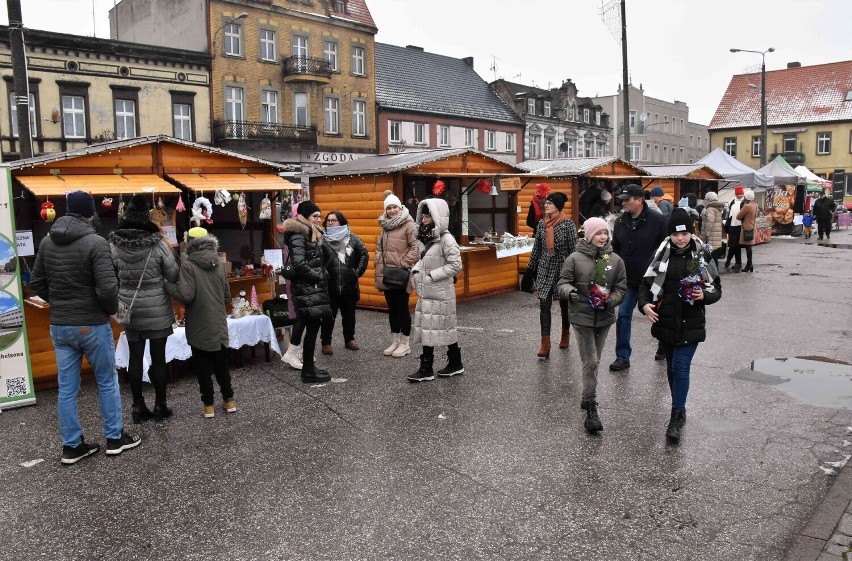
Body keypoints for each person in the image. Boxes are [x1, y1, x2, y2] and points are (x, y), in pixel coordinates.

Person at [30, 190, 140, 464]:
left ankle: (72, 447)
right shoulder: (96, 243)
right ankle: (115, 439)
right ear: (89, 213)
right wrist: (107, 309)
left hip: (60, 326)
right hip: (91, 324)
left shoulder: (47, 242)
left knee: (66, 388)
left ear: (67, 211)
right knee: (106, 380)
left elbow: (37, 283)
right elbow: (107, 289)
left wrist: (59, 302)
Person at [639, 209, 722, 443]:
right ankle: (680, 407)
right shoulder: (660, 254)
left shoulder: (702, 255)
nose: (681, 239)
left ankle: (676, 414)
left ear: (691, 231)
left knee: (680, 367)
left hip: (691, 322)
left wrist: (703, 296)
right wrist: (645, 305)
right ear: (670, 235)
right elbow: (645, 285)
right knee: (671, 368)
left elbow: (716, 289)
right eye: (676, 235)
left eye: (684, 233)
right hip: (665, 320)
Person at [109, 194, 179, 423]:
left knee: (135, 358)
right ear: (146, 216)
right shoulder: (157, 243)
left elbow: (111, 275)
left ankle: (137, 407)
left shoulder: (114, 244)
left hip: (128, 307)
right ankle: (160, 406)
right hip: (157, 306)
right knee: (158, 359)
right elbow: (173, 274)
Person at [556, 217, 626, 433]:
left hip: (604, 318)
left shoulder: (615, 260)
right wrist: (572, 293)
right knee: (591, 361)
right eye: (598, 233)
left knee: (595, 359)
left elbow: (621, 288)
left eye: (605, 233)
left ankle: (586, 396)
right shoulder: (574, 259)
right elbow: (562, 284)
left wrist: (610, 301)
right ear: (588, 235)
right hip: (582, 318)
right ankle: (592, 409)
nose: (602, 237)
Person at [167, 227, 236, 416]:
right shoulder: (220, 264)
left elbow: (186, 295)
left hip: (198, 324)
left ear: (190, 243)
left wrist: (169, 286)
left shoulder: (188, 266)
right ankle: (229, 401)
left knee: (203, 368)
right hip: (218, 323)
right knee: (222, 366)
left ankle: (208, 406)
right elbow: (227, 296)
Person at [609, 184, 668, 371]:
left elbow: (666, 247)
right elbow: (615, 247)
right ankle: (622, 356)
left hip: (653, 279)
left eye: (627, 200)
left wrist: (656, 268)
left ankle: (663, 345)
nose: (623, 204)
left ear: (640, 200)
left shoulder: (658, 220)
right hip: (629, 279)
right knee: (624, 315)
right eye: (622, 200)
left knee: (660, 314)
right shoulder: (620, 222)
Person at [407, 198, 464, 382]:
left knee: (444, 328)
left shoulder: (447, 239)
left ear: (438, 217)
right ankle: (433, 367)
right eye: (422, 215)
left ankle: (442, 366)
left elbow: (456, 264)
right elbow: (424, 261)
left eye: (428, 216)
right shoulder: (426, 237)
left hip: (440, 292)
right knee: (428, 329)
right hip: (427, 292)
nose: (424, 219)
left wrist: (432, 275)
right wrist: (417, 270)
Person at [280, 201, 333, 383]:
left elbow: (319, 258)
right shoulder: (298, 235)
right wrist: (318, 276)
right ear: (304, 217)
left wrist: (322, 272)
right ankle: (308, 371)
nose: (318, 219)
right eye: (314, 216)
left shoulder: (312, 232)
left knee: (313, 327)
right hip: (305, 288)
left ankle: (309, 367)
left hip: (312, 289)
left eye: (320, 216)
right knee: (311, 327)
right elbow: (300, 264)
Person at [527, 192, 577, 359]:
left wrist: (575, 273)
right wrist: (530, 270)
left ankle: (565, 333)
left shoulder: (568, 225)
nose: (546, 205)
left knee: (564, 303)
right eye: (545, 203)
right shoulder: (542, 224)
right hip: (545, 267)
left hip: (563, 268)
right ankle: (545, 342)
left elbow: (573, 251)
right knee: (544, 303)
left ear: (558, 206)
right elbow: (537, 249)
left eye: (549, 203)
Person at [375, 190, 419, 358]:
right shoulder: (385, 226)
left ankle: (405, 343)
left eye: (395, 207)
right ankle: (395, 340)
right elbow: (380, 248)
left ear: (400, 208)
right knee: (392, 309)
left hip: (401, 273)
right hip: (386, 273)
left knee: (402, 308)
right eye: (389, 208)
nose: (392, 210)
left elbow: (416, 248)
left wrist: (402, 264)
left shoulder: (409, 224)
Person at [320, 211, 368, 355]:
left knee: (349, 315)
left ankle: (349, 340)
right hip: (330, 285)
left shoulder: (352, 238)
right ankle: (326, 343)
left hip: (349, 285)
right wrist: (323, 274)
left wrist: (357, 273)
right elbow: (317, 259)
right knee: (328, 316)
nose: (330, 222)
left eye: (333, 220)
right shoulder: (322, 239)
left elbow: (364, 254)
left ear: (341, 222)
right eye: (328, 220)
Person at [700, 191, 726, 268]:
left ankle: (713, 273)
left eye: (706, 199)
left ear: (708, 199)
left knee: (711, 256)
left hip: (711, 236)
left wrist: (707, 234)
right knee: (714, 255)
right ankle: (715, 272)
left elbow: (709, 222)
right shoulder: (717, 208)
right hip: (716, 235)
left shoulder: (710, 209)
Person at [724, 185, 746, 271]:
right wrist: (727, 224)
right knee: (732, 245)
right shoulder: (732, 202)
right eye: (738, 194)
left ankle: (737, 263)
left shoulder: (744, 202)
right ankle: (730, 261)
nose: (740, 195)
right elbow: (730, 214)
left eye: (741, 194)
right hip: (732, 226)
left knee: (736, 246)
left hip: (740, 226)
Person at [736, 189, 758, 272]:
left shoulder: (747, 206)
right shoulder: (755, 205)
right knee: (749, 247)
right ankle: (749, 264)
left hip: (746, 228)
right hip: (752, 226)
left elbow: (738, 216)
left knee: (748, 247)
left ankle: (749, 265)